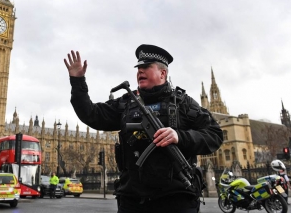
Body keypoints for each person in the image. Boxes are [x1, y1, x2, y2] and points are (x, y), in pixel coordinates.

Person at [64, 45, 223, 213]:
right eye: (138, 68)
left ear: (163, 73)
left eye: (146, 67)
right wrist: (77, 81)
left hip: (176, 198)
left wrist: (180, 136)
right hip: (132, 200)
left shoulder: (183, 103)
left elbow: (215, 135)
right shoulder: (126, 103)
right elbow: (91, 114)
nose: (140, 71)